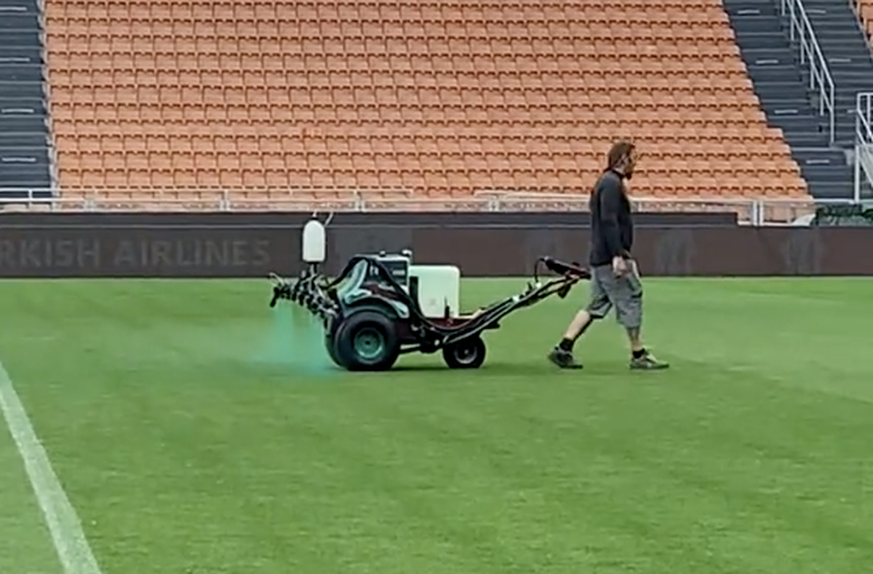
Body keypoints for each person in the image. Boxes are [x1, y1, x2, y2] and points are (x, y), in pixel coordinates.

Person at [548, 140, 669, 370]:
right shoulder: (611, 184)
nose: (636, 163)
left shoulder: (606, 183)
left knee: (595, 305)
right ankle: (638, 354)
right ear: (624, 159)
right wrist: (618, 255)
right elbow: (609, 221)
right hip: (609, 257)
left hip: (600, 256)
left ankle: (564, 347)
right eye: (634, 158)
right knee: (631, 296)